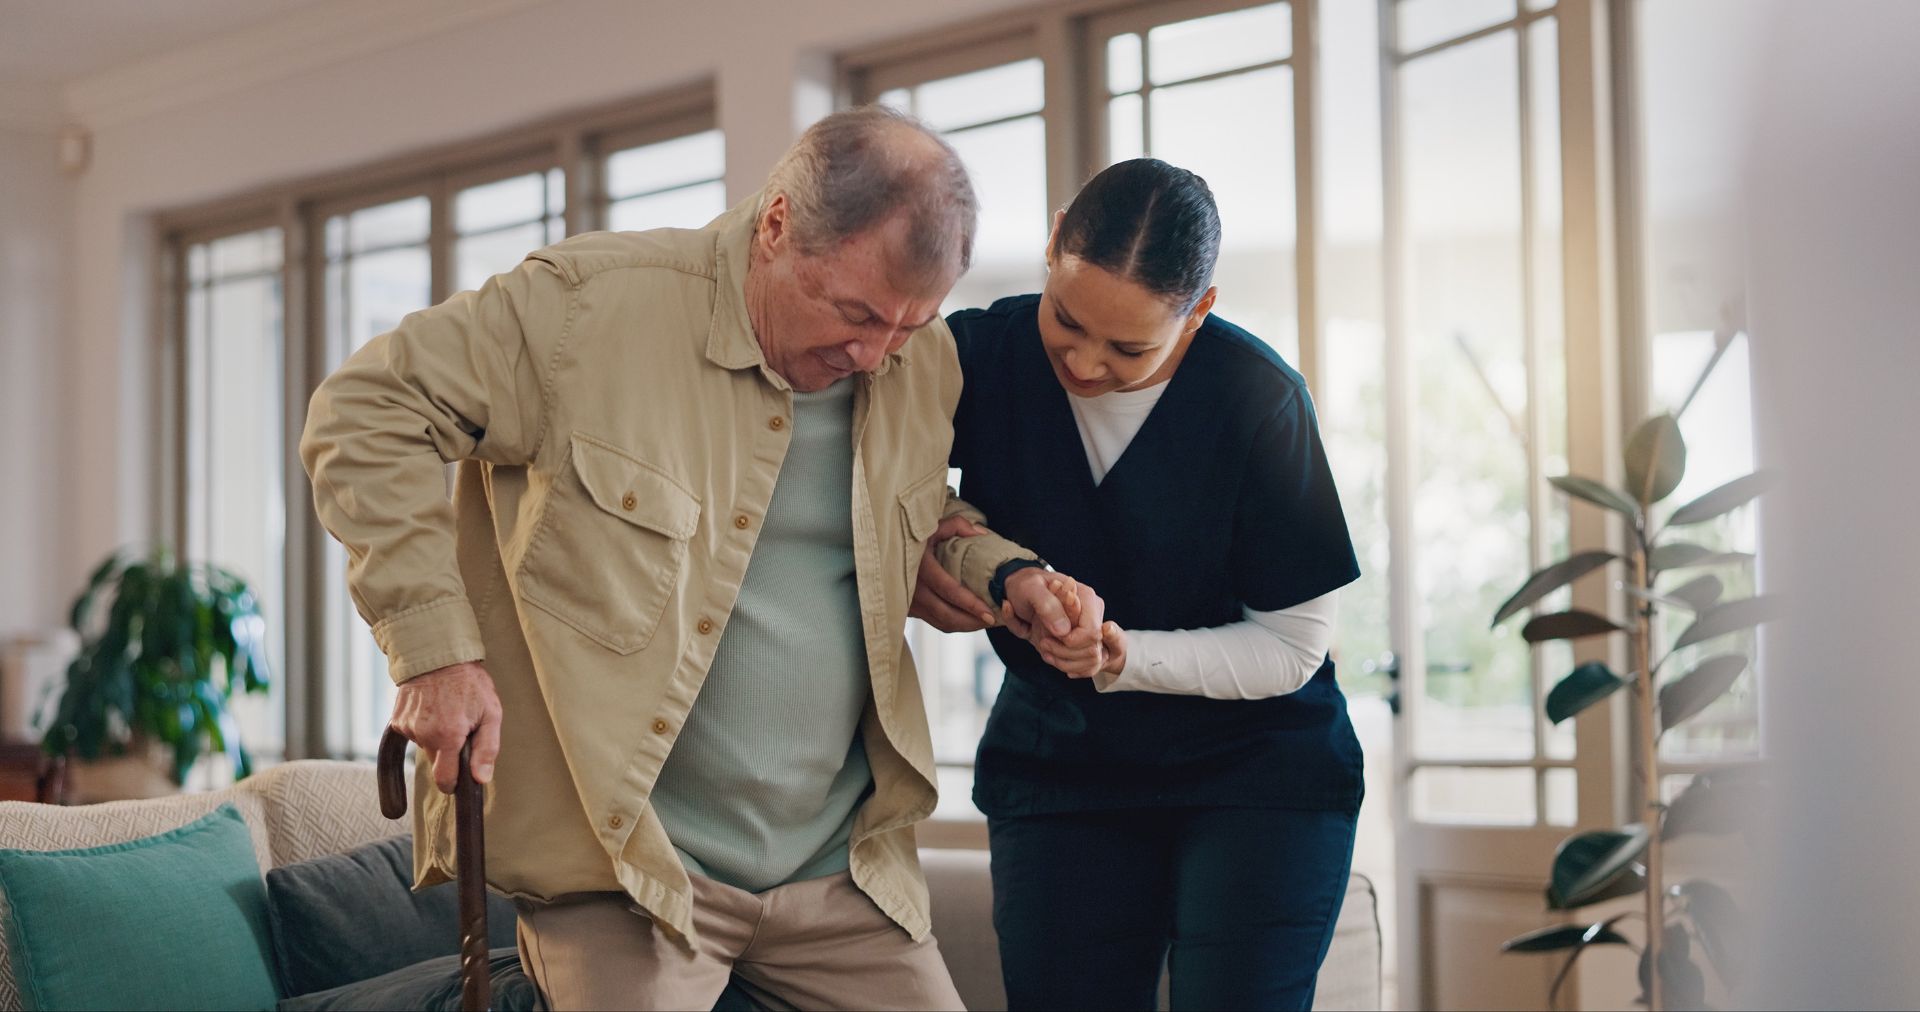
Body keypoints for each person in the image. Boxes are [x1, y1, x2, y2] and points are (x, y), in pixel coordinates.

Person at [299, 106, 1098, 1011]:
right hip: (631, 874)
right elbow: (362, 415)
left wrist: (1008, 575)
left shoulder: (923, 365)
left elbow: (913, 515)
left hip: (836, 868)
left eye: (906, 328)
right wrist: (436, 652)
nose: (872, 355)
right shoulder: (584, 310)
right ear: (775, 226)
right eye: (855, 314)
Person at [913, 158, 1365, 1011]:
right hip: (1062, 763)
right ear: (1051, 246)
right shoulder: (976, 356)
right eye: (1067, 321)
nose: (1084, 364)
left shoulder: (1257, 401)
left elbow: (1293, 644)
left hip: (1256, 772)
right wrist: (967, 552)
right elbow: (874, 474)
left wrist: (1122, 655)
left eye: (1129, 347)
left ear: (1200, 310)